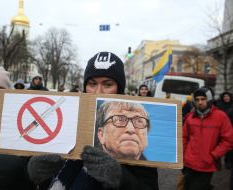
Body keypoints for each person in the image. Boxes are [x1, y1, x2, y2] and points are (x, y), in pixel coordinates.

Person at [27, 52, 159, 190]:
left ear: (119, 90)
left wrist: (120, 177)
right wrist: (34, 171)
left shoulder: (133, 140)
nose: (98, 91)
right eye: (92, 84)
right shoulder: (63, 124)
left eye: (107, 85)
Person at [183, 87, 233, 190]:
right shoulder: (190, 116)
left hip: (207, 165)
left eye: (203, 99)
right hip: (189, 164)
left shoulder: (221, 116)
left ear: (209, 100)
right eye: (197, 100)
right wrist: (183, 156)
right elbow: (184, 137)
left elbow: (229, 140)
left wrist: (214, 155)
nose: (200, 102)